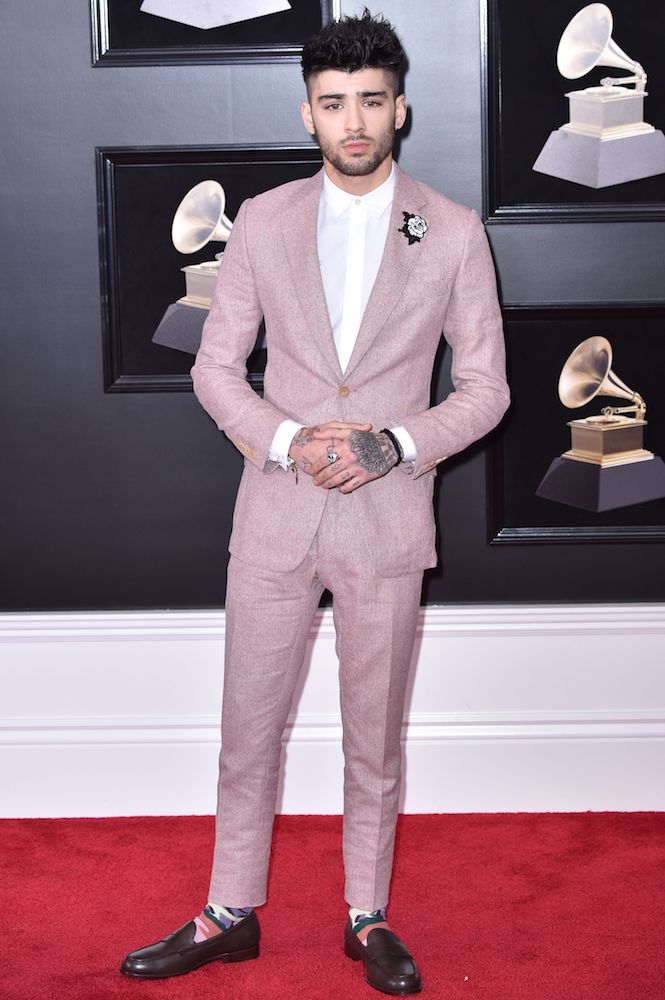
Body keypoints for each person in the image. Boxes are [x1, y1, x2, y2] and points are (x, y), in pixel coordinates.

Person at [121, 9, 509, 995]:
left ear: (399, 109)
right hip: (275, 515)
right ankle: (229, 910)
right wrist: (291, 440)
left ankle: (365, 915)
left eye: (370, 101)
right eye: (333, 103)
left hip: (386, 521)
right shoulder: (262, 221)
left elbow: (487, 389)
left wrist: (392, 442)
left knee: (371, 739)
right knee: (247, 727)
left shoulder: (454, 231)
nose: (352, 120)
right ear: (307, 113)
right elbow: (216, 371)